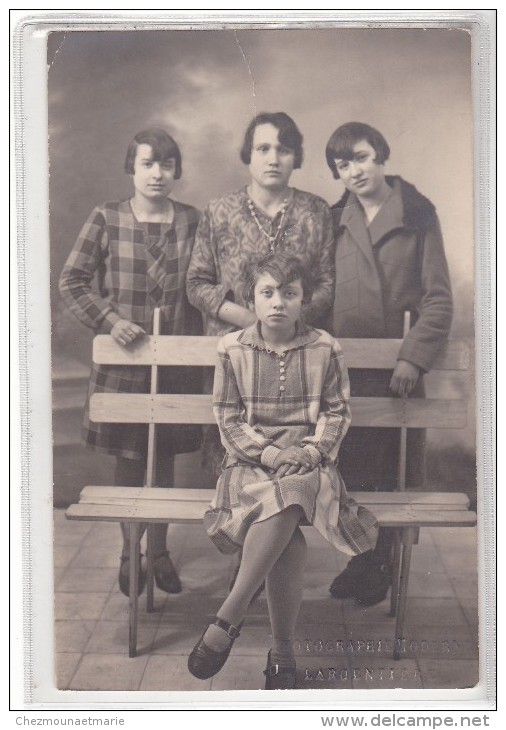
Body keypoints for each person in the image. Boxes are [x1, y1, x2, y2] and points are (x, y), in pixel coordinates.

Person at [187, 253, 378, 689]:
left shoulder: (325, 347)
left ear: (303, 300)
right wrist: (271, 455)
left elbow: (336, 413)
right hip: (250, 464)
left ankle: (229, 615)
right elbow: (228, 419)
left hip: (310, 463)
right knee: (287, 535)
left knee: (293, 492)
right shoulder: (231, 348)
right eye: (267, 293)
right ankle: (283, 655)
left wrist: (310, 452)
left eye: (289, 293)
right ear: (251, 299)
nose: (278, 303)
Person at [59, 128, 202, 598]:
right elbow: (73, 282)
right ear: (132, 169)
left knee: (163, 461)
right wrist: (110, 320)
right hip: (125, 364)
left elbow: (207, 284)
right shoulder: (107, 217)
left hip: (177, 364)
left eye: (166, 164)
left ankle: (159, 551)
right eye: (147, 164)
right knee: (129, 458)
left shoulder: (192, 221)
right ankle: (129, 553)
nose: (157, 173)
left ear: (177, 170)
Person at [324, 122, 453, 606]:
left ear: (380, 155)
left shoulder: (417, 214)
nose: (353, 171)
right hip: (348, 373)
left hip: (397, 375)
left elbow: (439, 300)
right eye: (342, 165)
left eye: (360, 158)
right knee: (352, 471)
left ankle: (382, 564)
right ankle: (364, 559)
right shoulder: (337, 217)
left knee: (395, 474)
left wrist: (413, 359)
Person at [186, 111, 335, 478]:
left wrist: (287, 322)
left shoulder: (315, 211)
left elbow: (327, 285)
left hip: (296, 356)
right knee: (232, 453)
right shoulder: (219, 212)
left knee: (291, 457)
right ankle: (235, 529)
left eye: (283, 149)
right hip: (234, 354)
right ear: (248, 154)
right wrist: (250, 319)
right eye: (263, 148)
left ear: (296, 157)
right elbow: (197, 283)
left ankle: (281, 528)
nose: (273, 158)